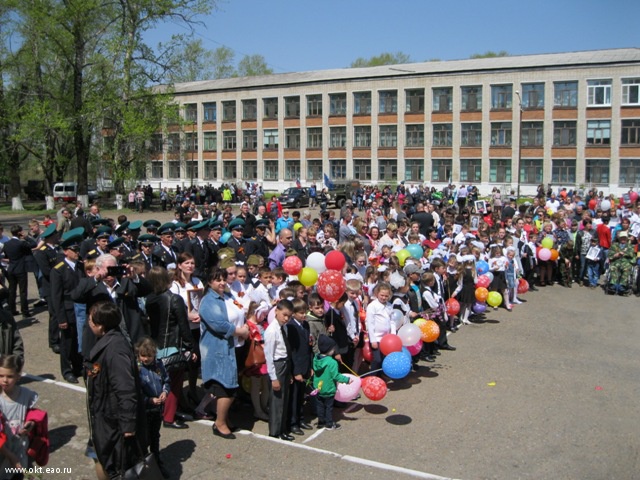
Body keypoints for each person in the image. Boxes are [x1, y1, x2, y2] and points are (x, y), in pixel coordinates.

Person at [85, 301, 147, 480]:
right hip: (103, 417)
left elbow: (126, 389)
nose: (88, 323)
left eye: (91, 320)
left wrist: (128, 424)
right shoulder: (107, 341)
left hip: (114, 422)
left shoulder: (116, 349)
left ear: (101, 325)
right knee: (97, 455)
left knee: (114, 465)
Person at [199, 268, 250, 440]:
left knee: (230, 386)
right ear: (209, 282)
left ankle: (225, 419)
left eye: (223, 279)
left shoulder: (225, 296)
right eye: (217, 280)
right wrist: (240, 331)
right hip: (216, 349)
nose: (221, 283)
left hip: (230, 347)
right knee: (224, 387)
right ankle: (219, 423)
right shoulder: (208, 301)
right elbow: (219, 325)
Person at [145, 267, 195, 429]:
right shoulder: (174, 299)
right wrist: (190, 347)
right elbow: (183, 325)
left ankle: (162, 410)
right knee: (173, 383)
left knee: (159, 381)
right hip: (172, 345)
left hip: (155, 344)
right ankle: (169, 416)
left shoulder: (150, 298)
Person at [135, 337, 170, 478]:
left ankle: (156, 461)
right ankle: (142, 464)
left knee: (155, 437)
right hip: (144, 411)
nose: (145, 359)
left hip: (157, 410)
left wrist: (165, 392)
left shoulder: (159, 366)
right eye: (143, 356)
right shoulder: (137, 369)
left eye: (148, 356)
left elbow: (166, 381)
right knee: (144, 438)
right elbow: (136, 392)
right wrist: (148, 400)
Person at [0, 355, 38, 473]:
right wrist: (11, 456)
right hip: (3, 450)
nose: (5, 380)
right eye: (1, 376)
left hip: (20, 446)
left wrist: (30, 424)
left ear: (18, 376)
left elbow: (33, 414)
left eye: (10, 376)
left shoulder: (26, 395)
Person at [264, 299, 294, 441]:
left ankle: (282, 428)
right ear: (276, 311)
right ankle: (275, 431)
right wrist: (273, 377)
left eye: (289, 316)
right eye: (284, 314)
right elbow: (269, 356)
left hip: (285, 363)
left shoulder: (284, 327)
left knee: (284, 398)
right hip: (277, 365)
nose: (286, 318)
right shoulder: (272, 331)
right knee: (277, 400)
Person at [312, 335, 352, 430]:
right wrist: (347, 380)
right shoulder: (332, 362)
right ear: (329, 349)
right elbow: (336, 376)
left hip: (318, 387)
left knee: (320, 406)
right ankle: (329, 423)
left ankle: (321, 422)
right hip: (328, 388)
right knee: (329, 407)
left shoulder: (315, 359)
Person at [286, 299, 313, 436]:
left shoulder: (306, 325)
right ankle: (293, 422)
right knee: (294, 396)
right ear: (294, 313)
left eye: (305, 312)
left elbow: (308, 348)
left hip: (305, 365)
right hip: (297, 367)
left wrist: (310, 366)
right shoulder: (291, 327)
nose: (304, 315)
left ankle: (301, 418)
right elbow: (293, 352)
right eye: (301, 313)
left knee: (301, 395)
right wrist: (296, 371)